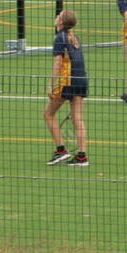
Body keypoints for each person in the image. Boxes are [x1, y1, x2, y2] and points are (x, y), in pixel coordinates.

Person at [45, 9, 90, 165]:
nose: (56, 17)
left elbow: (58, 64)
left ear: (61, 22)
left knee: (48, 114)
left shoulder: (60, 38)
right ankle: (82, 156)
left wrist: (51, 85)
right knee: (77, 118)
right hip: (81, 80)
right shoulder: (74, 37)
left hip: (68, 81)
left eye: (58, 16)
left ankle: (61, 150)